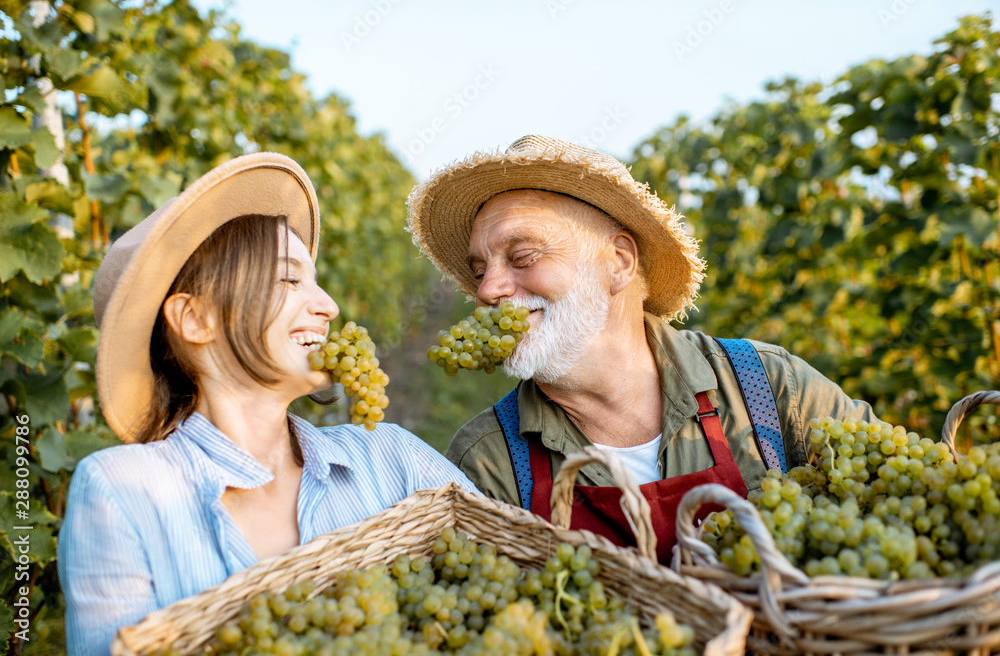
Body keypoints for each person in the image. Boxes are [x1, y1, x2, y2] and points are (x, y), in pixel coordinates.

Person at [58, 153, 476, 655]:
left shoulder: (392, 458)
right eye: (288, 279)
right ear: (195, 319)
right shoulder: (120, 492)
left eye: (316, 280)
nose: (329, 306)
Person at [406, 135, 874, 562]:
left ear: (619, 262)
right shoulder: (490, 460)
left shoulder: (767, 386)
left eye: (523, 257)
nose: (488, 290)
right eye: (479, 270)